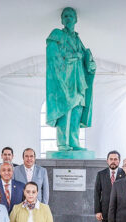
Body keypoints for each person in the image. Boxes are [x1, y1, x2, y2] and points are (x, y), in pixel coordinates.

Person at [46, 7, 96, 151]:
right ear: (62, 20)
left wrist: (91, 64)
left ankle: (74, 142)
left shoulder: (78, 39)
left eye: (71, 16)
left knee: (77, 109)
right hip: (64, 78)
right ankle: (62, 143)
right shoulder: (57, 34)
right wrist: (70, 58)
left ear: (76, 20)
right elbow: (52, 56)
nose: (68, 18)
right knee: (65, 108)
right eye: (66, 16)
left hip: (78, 79)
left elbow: (86, 60)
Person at [94, 150, 125, 222]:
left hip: (121, 212)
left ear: (119, 161)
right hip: (106, 212)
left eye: (115, 159)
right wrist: (98, 211)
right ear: (107, 161)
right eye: (111, 159)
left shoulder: (124, 173)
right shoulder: (101, 174)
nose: (113, 161)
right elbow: (97, 193)